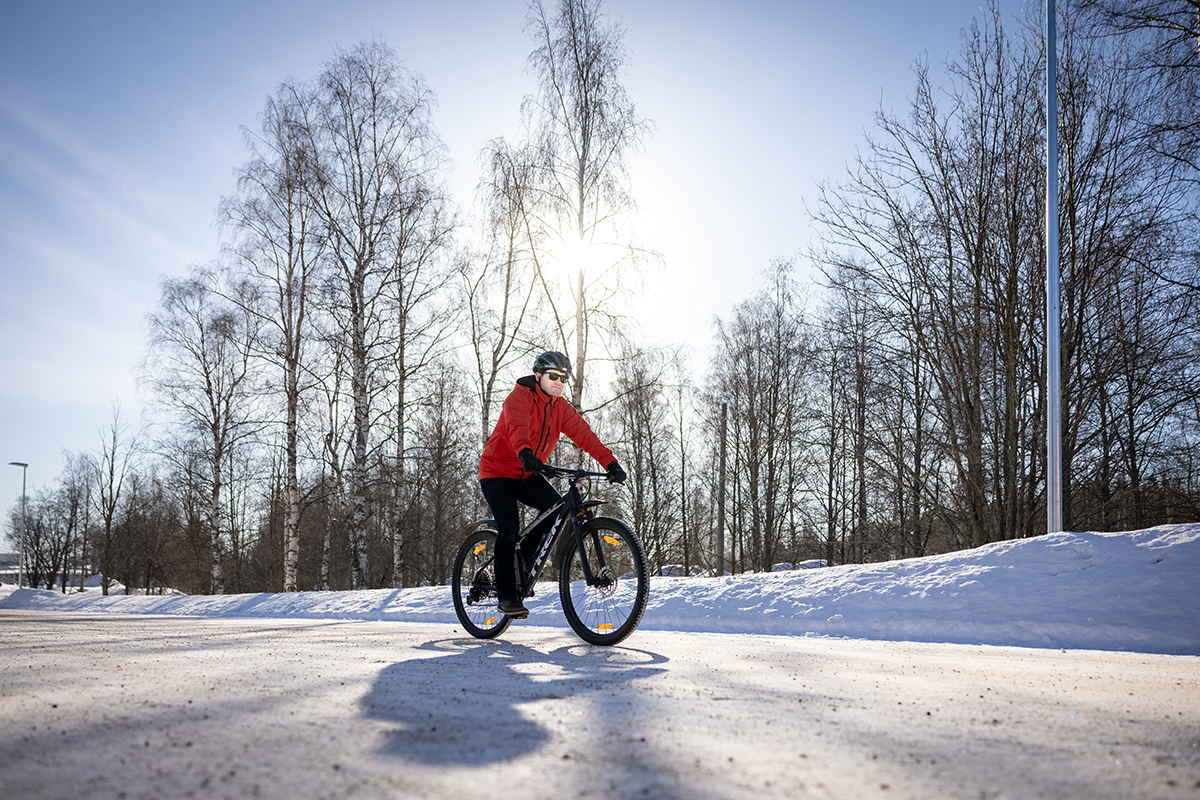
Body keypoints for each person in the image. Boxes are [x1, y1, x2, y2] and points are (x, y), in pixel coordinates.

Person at [478, 351, 627, 618]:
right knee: (509, 529)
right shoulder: (519, 397)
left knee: (556, 507)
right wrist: (525, 452)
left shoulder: (561, 407)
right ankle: (507, 596)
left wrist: (611, 464)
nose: (559, 382)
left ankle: (522, 557)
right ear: (538, 376)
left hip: (526, 472)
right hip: (497, 472)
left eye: (564, 378)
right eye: (553, 376)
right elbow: (517, 426)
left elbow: (586, 436)